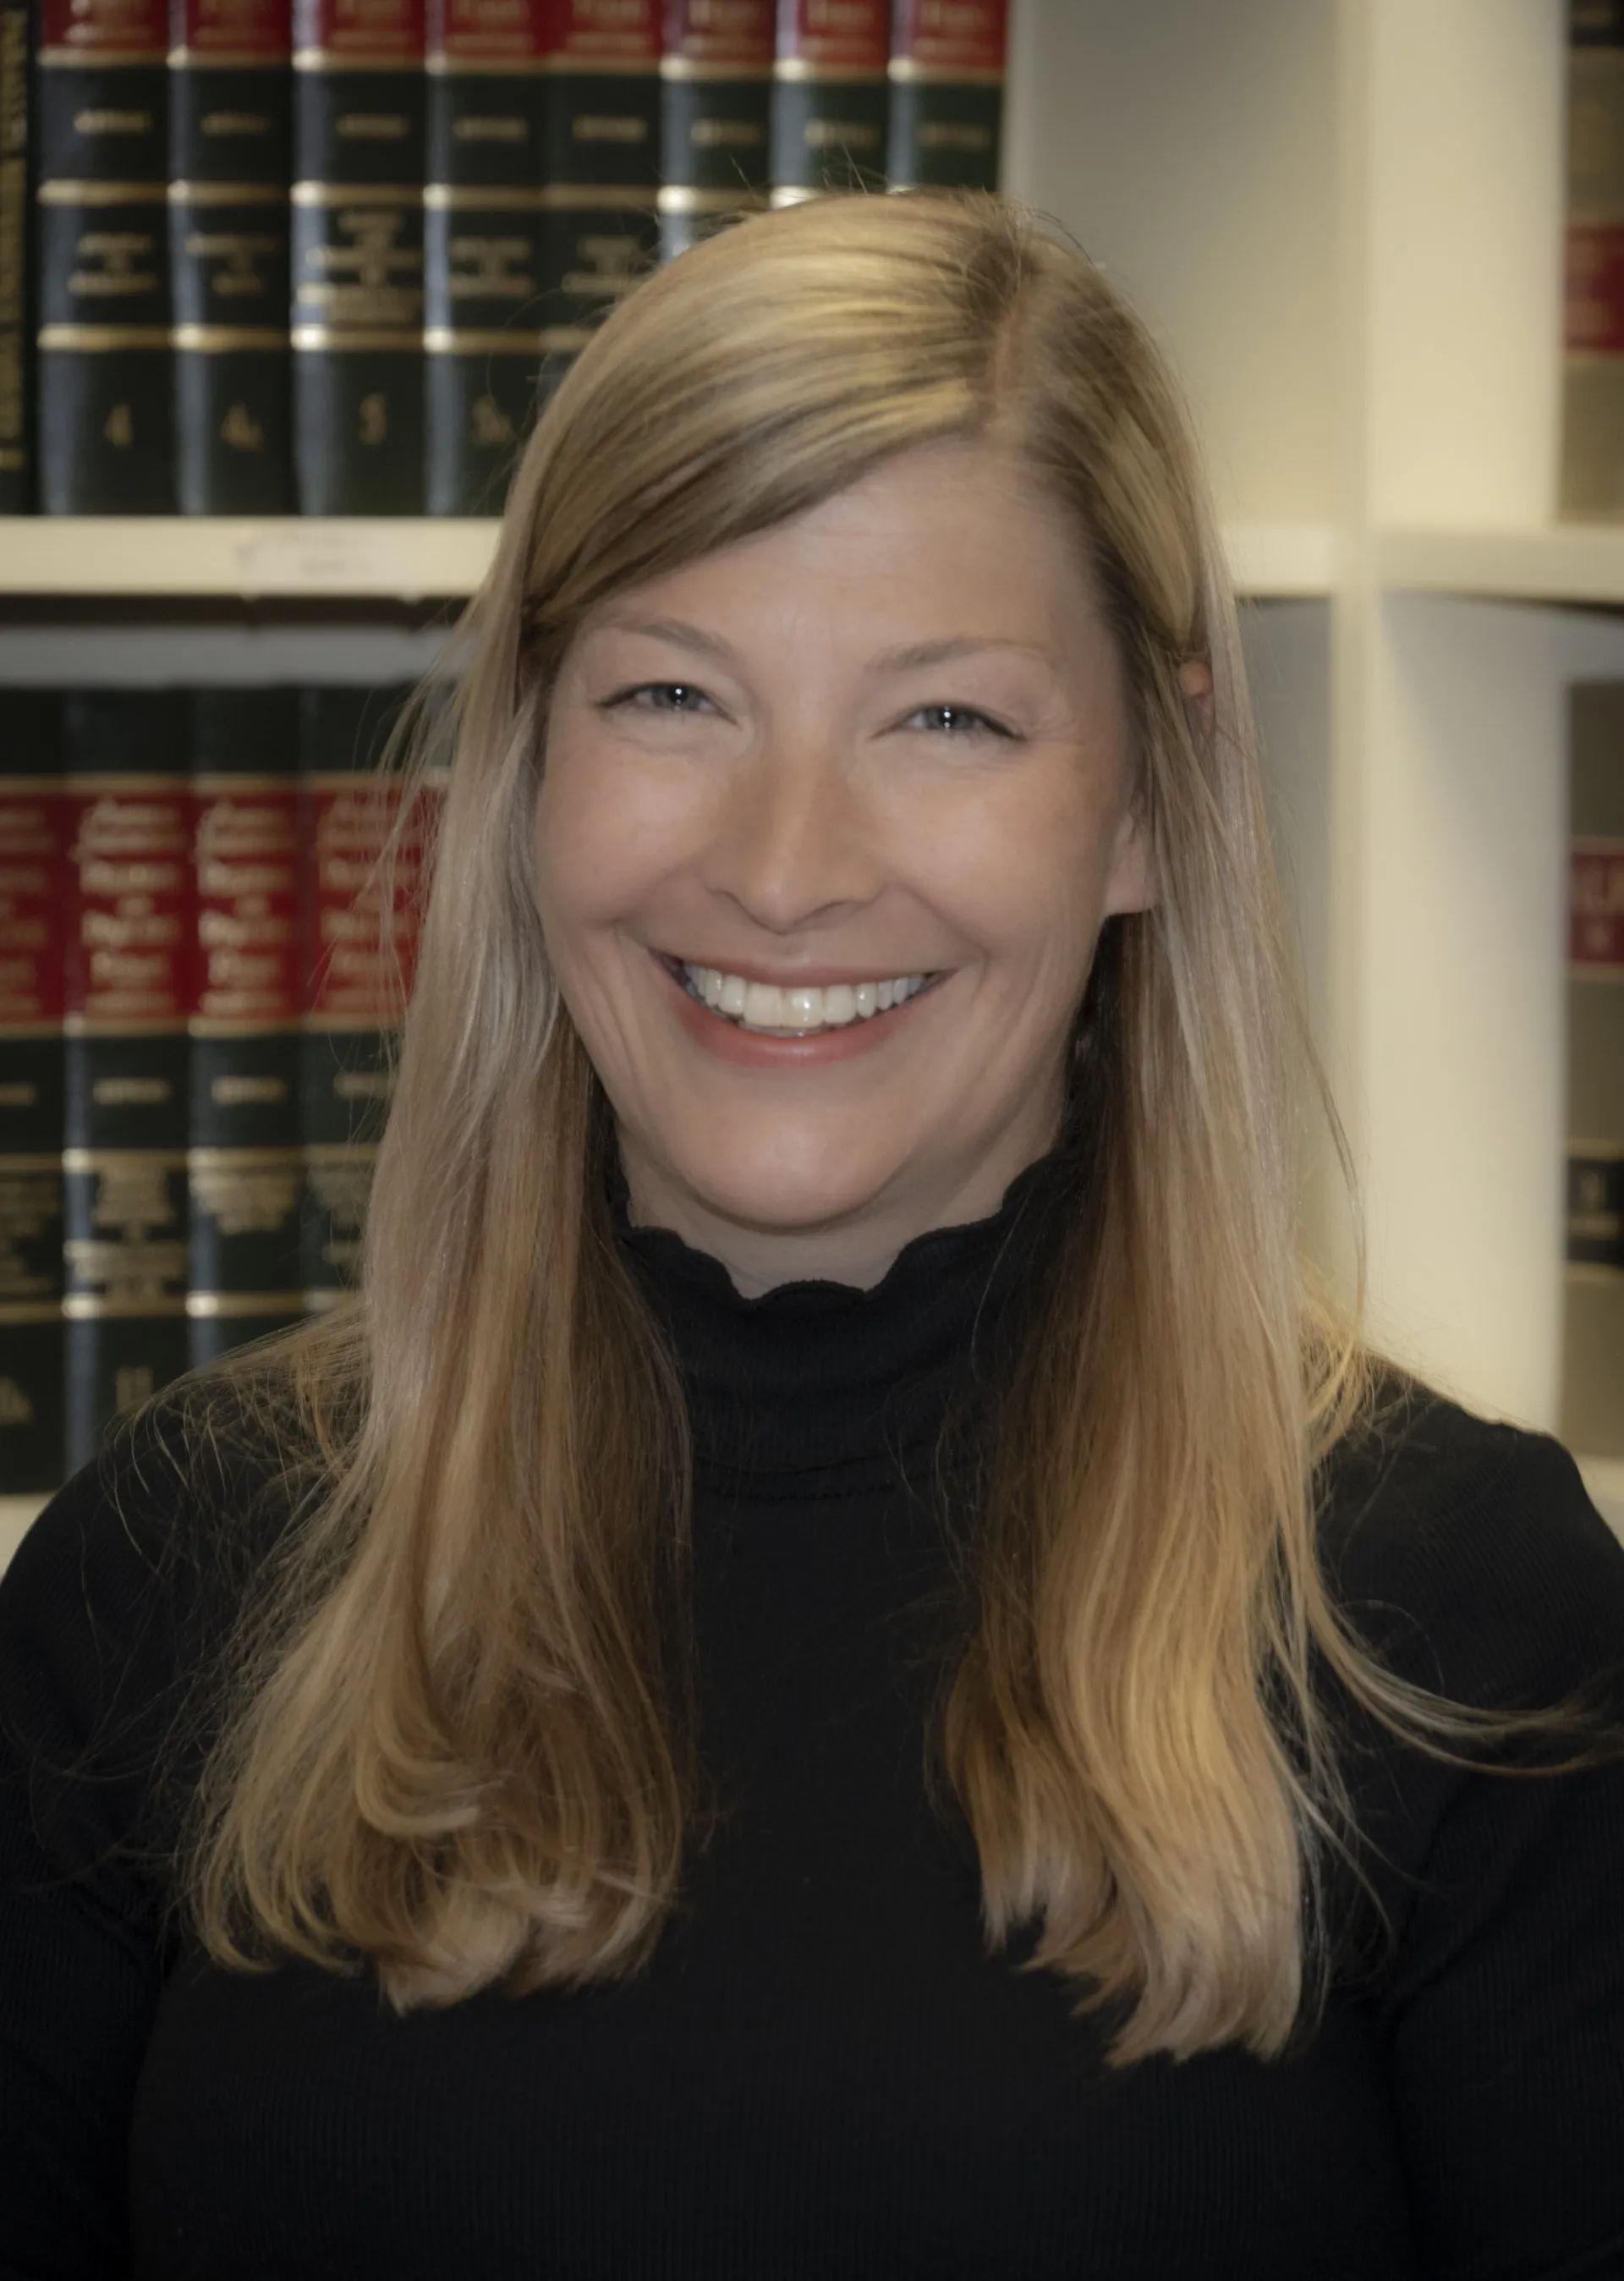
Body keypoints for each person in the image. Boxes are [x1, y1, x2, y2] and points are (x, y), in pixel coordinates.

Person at [3, 190, 1622, 2281]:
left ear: (1151, 796)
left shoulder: (1457, 1618)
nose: (784, 871)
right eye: (673, 698)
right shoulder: (173, 1570)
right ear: (525, 767)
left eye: (946, 719)